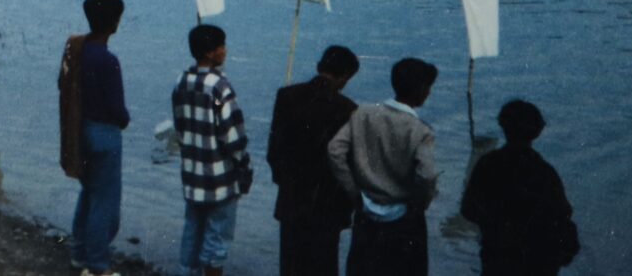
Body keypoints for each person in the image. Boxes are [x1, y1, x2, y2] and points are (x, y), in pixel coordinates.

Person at [326, 57, 438, 276]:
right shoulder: (420, 131)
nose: (429, 93)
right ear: (422, 90)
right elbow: (427, 176)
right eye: (428, 88)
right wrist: (419, 204)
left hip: (367, 211)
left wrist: (353, 191)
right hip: (404, 218)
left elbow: (335, 150)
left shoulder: (364, 113)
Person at [269, 45, 361, 276]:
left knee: (290, 265)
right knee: (324, 265)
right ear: (345, 76)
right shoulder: (349, 109)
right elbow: (348, 164)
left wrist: (286, 182)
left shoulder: (286, 96)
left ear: (320, 67)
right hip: (328, 205)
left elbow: (274, 152)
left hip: (292, 198)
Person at [459, 101, 579, 275]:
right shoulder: (544, 171)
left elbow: (468, 209)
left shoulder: (487, 164)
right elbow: (561, 213)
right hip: (537, 260)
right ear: (537, 131)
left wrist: (494, 226)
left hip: (497, 256)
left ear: (503, 126)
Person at [172, 23, 252, 276]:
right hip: (220, 179)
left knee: (192, 231)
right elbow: (233, 136)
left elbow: (180, 126)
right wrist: (244, 165)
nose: (224, 51)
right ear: (210, 53)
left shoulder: (182, 81)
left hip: (192, 174)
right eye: (221, 47)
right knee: (217, 239)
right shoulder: (220, 87)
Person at [59, 0, 130, 275]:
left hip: (79, 131)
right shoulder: (108, 60)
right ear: (114, 23)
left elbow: (61, 84)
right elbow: (117, 109)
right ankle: (98, 265)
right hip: (104, 136)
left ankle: (78, 253)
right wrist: (125, 119)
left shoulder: (77, 50)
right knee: (105, 204)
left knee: (88, 194)